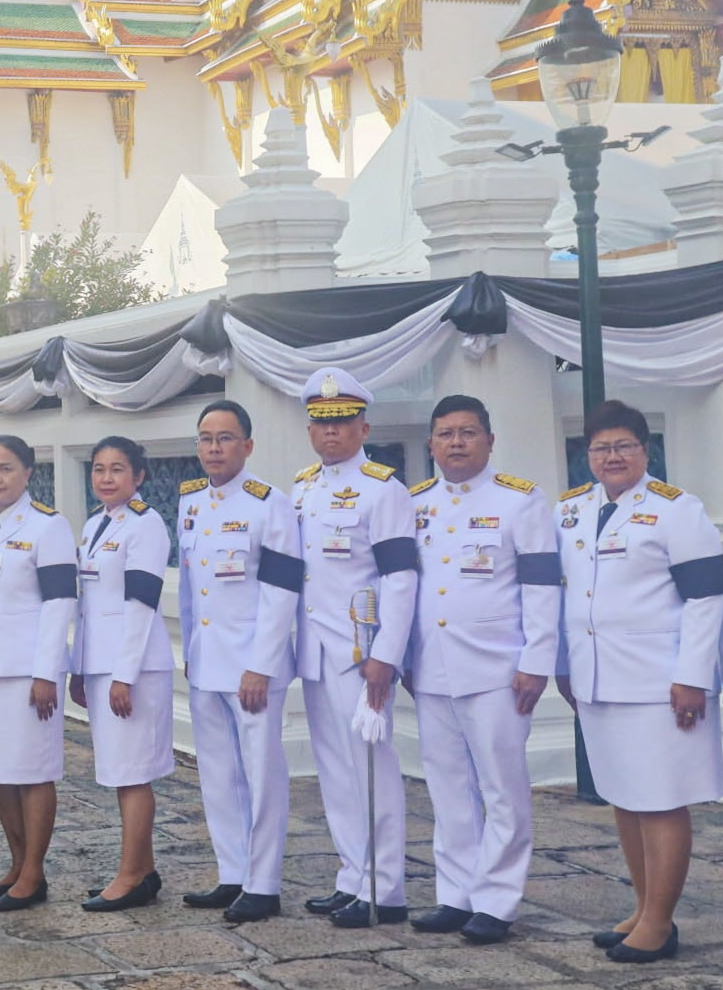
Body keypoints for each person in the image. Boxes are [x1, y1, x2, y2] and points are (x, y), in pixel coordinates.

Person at [557, 399, 723, 964]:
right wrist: (565, 665)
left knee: (660, 800)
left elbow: (705, 597)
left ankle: (660, 922)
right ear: (588, 455)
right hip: (599, 679)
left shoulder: (678, 510)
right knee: (625, 798)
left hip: (659, 682)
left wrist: (692, 676)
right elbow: (566, 595)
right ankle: (643, 905)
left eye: (624, 446)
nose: (613, 457)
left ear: (645, 450)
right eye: (602, 448)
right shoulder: (573, 511)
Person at [404, 396, 560, 946]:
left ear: (489, 440)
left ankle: (497, 900)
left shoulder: (521, 502)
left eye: (468, 432)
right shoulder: (415, 502)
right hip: (431, 667)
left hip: (498, 667)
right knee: (447, 787)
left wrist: (537, 660)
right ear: (431, 444)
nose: (456, 442)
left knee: (502, 788)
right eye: (445, 434)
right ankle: (456, 893)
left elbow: (542, 587)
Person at [291, 368, 418, 928]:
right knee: (335, 770)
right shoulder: (301, 489)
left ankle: (384, 889)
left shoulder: (383, 489)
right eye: (321, 423)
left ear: (363, 426)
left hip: (362, 653)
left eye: (342, 422)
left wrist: (387, 655)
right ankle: (352, 877)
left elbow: (400, 578)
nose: (331, 433)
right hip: (317, 652)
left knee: (371, 767)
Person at [178, 401, 300, 925]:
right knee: (218, 774)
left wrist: (263, 664)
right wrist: (189, 652)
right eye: (206, 438)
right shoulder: (190, 503)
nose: (213, 448)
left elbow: (281, 591)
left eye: (225, 438)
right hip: (207, 665)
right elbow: (189, 591)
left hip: (253, 667)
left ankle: (265, 882)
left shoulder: (269, 504)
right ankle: (233, 872)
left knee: (262, 773)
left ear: (247, 446)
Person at [0, 434, 77, 912]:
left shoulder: (49, 527)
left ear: (29, 472)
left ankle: (35, 872)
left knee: (33, 771)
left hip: (27, 672)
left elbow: (60, 601)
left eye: (6, 468)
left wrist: (46, 673)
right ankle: (16, 862)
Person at [71, 436, 173, 913]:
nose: (106, 478)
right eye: (98, 469)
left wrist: (123, 675)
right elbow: (88, 607)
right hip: (100, 665)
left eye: (117, 470)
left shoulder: (145, 525)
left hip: (132, 669)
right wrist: (78, 668)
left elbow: (140, 605)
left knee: (133, 773)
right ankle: (144, 869)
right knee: (119, 771)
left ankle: (130, 875)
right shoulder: (95, 524)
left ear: (139, 477)